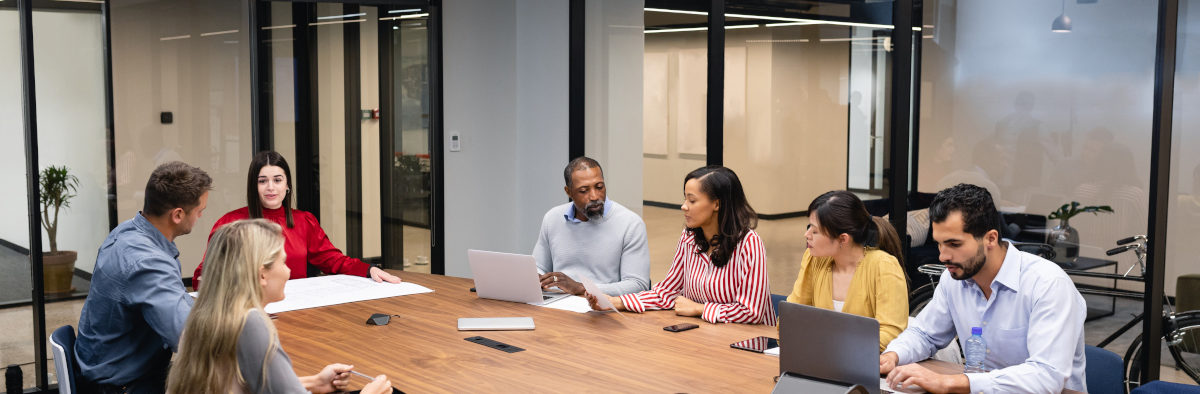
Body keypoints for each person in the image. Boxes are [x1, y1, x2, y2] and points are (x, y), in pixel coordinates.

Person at [880, 184, 1087, 393]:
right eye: (939, 244)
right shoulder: (954, 279)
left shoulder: (1048, 284)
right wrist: (893, 355)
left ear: (990, 238)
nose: (943, 256)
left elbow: (1046, 377)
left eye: (954, 244)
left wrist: (948, 382)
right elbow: (925, 334)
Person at [167, 219, 393, 394]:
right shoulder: (250, 322)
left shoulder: (206, 313)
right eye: (283, 262)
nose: (289, 271)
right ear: (261, 274)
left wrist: (315, 382)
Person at [75, 162, 212, 393]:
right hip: (124, 385)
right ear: (178, 215)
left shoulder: (127, 232)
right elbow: (189, 339)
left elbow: (173, 300)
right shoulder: (147, 261)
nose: (200, 217)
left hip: (111, 368)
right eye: (200, 211)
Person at [587, 166, 775, 325]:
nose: (684, 206)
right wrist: (616, 302)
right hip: (704, 337)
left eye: (692, 200)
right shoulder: (689, 237)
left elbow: (752, 312)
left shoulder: (749, 243)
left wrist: (700, 309)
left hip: (747, 345)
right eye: (685, 198)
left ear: (717, 204)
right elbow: (667, 293)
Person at [193, 151, 400, 289]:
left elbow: (332, 260)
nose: (271, 187)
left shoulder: (304, 221)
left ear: (287, 185)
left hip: (297, 308)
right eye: (262, 181)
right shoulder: (231, 223)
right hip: (248, 315)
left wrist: (369, 269)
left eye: (277, 180)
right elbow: (203, 276)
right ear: (253, 187)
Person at [786, 190, 908, 351]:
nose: (806, 235)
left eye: (815, 231)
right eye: (809, 227)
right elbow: (791, 317)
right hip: (819, 358)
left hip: (870, 367)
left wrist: (830, 345)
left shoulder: (883, 266)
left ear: (843, 238)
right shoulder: (813, 259)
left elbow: (891, 334)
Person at [531, 157, 650, 296]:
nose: (594, 196)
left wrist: (581, 288)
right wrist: (536, 278)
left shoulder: (631, 224)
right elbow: (539, 267)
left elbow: (637, 285)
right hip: (558, 303)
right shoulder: (552, 218)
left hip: (604, 307)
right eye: (584, 190)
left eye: (599, 187)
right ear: (568, 192)